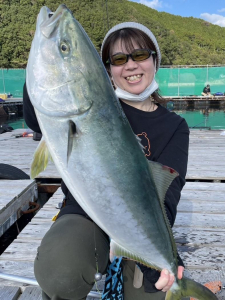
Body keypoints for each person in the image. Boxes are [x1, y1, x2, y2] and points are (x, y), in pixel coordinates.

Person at [23, 22, 189, 300]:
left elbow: (167, 194)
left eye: (140, 55)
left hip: (139, 224)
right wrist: (45, 62)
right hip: (84, 211)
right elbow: (34, 115)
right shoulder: (89, 102)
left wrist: (166, 255)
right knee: (61, 272)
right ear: (107, 70)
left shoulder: (175, 126)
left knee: (157, 293)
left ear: (154, 60)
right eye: (119, 59)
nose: (131, 66)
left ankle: (134, 263)